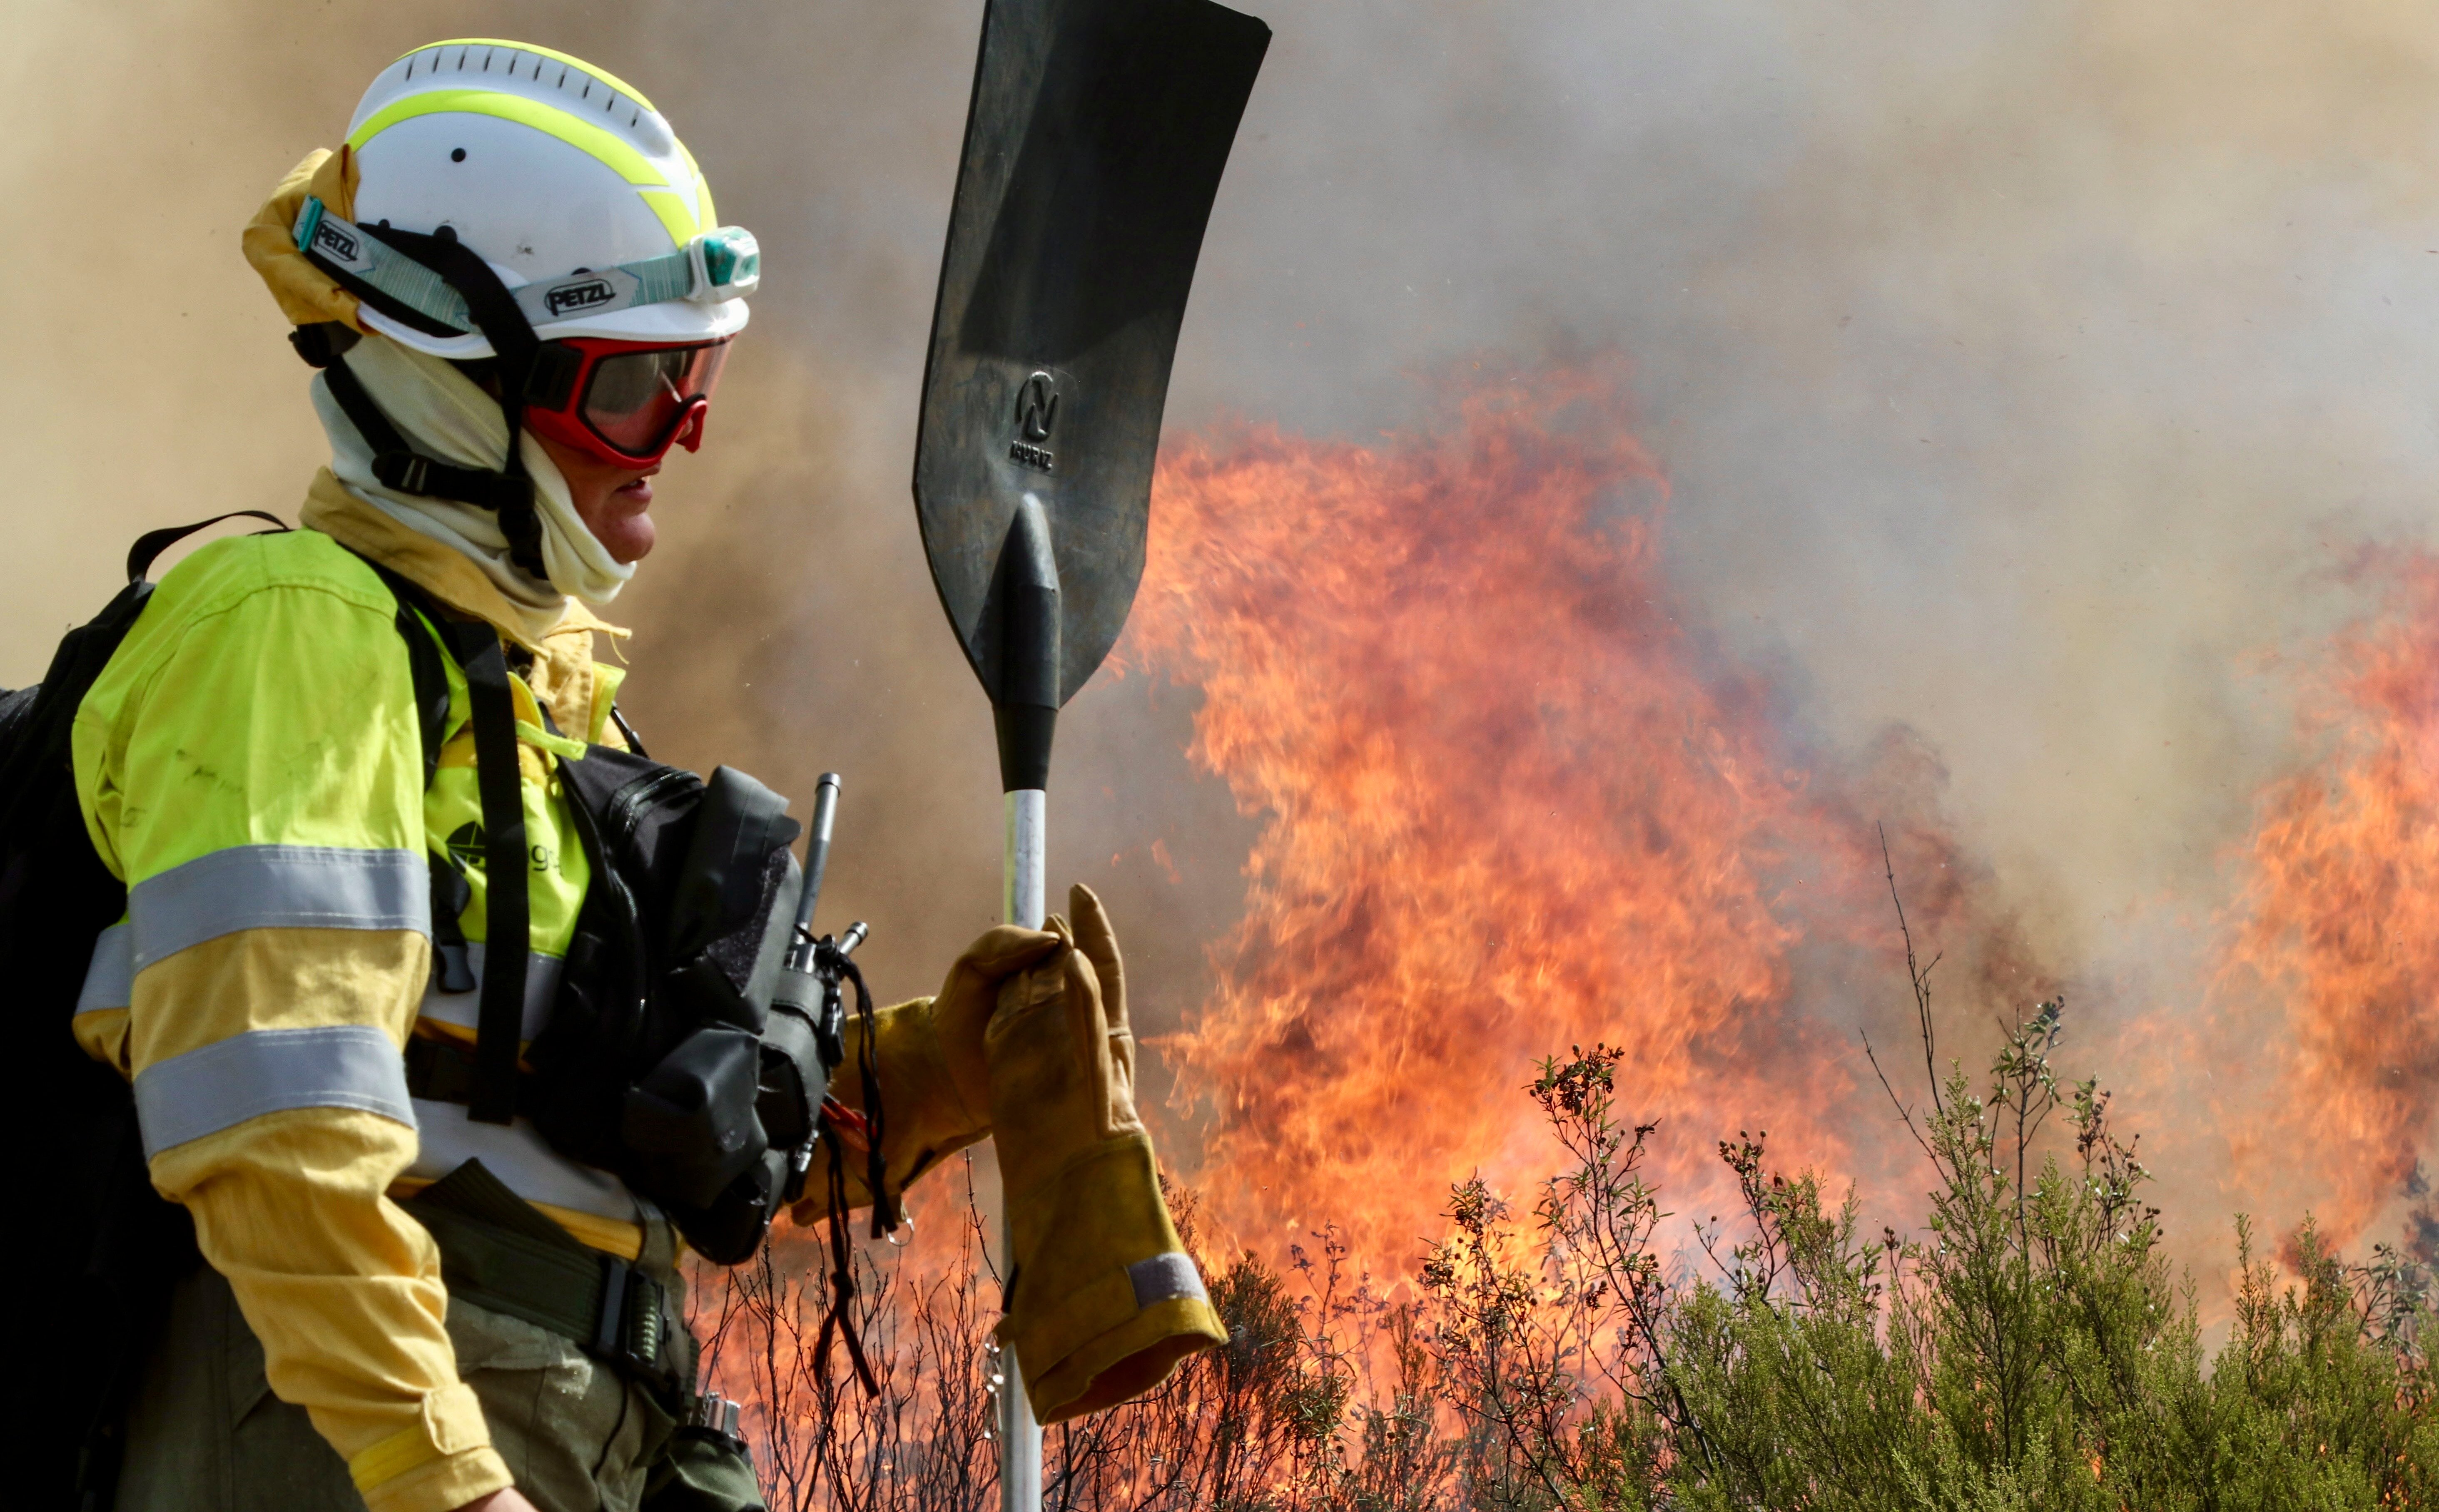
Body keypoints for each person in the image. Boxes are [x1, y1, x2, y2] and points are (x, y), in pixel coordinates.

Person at [71, 39, 1224, 1512]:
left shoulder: (550, 727)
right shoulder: (294, 631)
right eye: (633, 392)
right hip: (351, 1442)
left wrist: (941, 1069)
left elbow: (640, 1133)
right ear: (455, 376)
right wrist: (442, 1484)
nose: (676, 443)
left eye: (701, 383)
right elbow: (273, 1136)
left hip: (599, 1426)